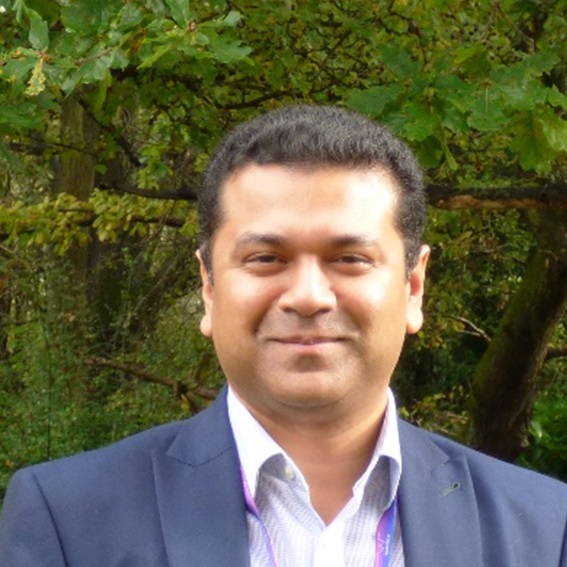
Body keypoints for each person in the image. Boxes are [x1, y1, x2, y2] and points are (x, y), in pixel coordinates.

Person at [1, 105, 566, 567]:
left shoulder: (545, 530)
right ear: (209, 287)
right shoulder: (68, 523)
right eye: (266, 258)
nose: (308, 296)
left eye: (350, 258)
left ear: (413, 286)